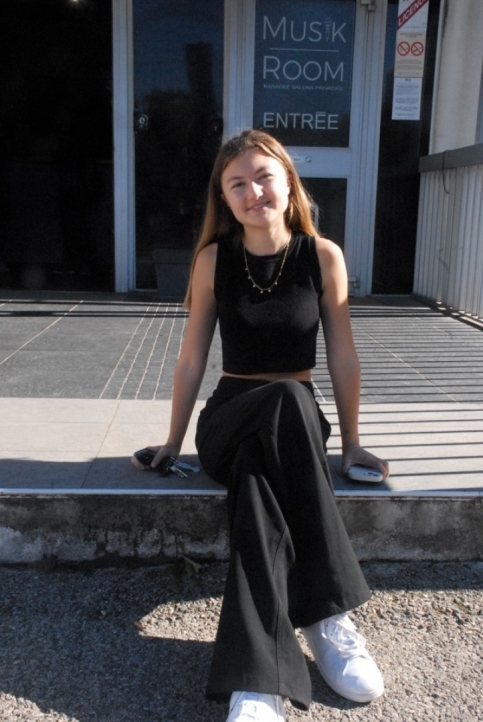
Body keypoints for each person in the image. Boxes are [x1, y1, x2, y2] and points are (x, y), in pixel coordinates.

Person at [132, 129, 390, 722]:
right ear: (224, 199)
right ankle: (325, 612)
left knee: (258, 483)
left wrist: (352, 444)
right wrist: (173, 442)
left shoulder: (322, 256)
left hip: (293, 423)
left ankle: (259, 682)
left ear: (288, 182)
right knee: (284, 400)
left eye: (264, 176)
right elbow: (192, 359)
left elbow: (343, 356)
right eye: (237, 184)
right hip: (229, 415)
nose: (254, 192)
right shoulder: (212, 261)